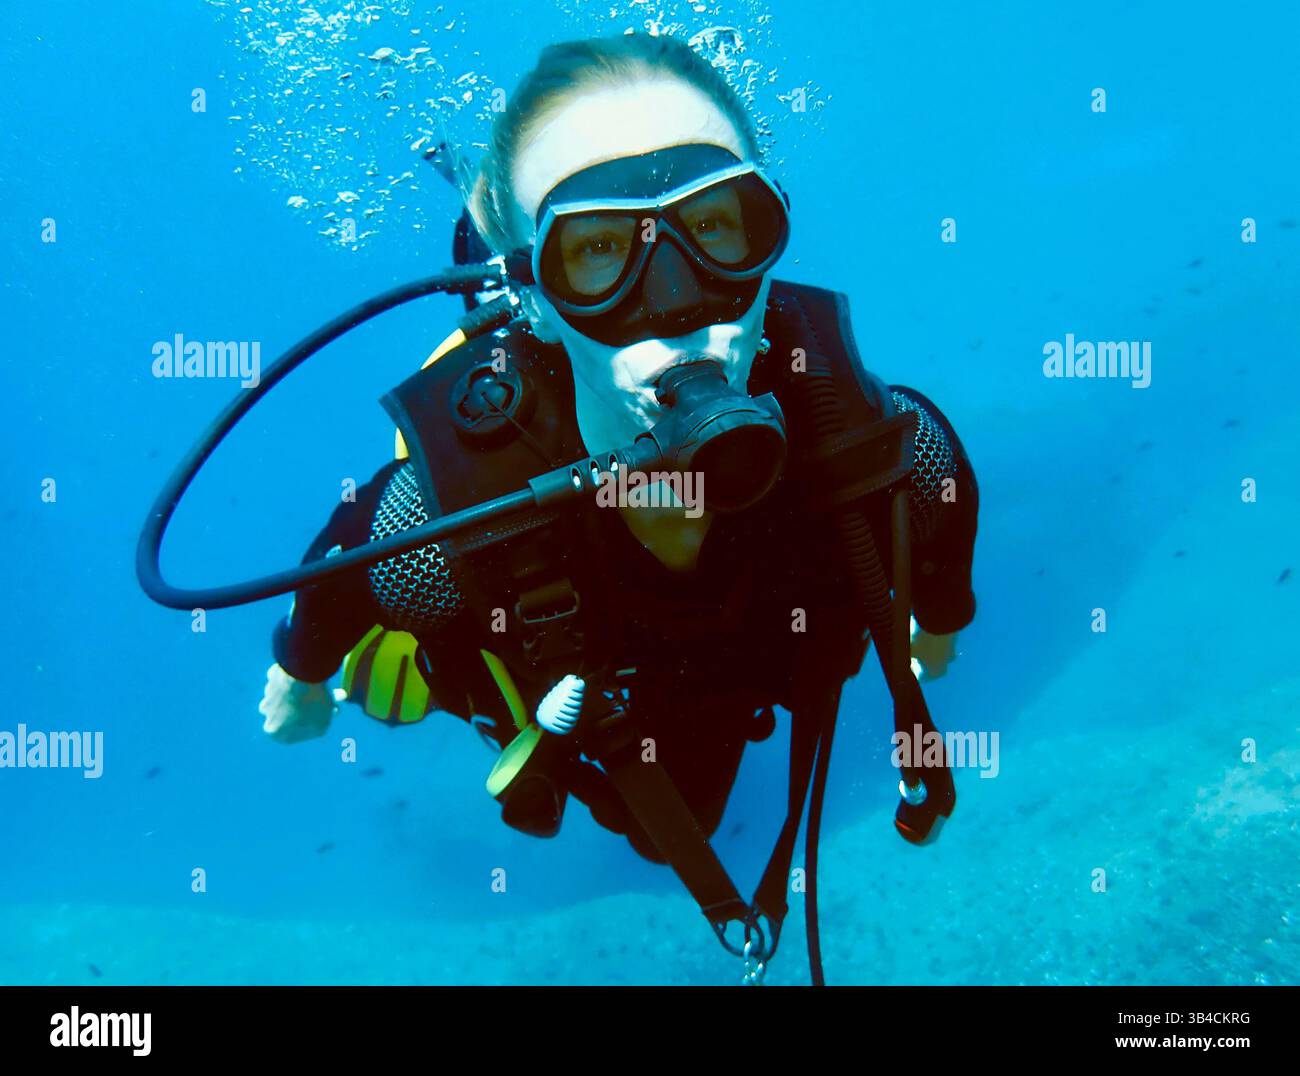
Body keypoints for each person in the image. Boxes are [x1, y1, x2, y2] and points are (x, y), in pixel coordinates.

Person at [256, 33, 979, 974]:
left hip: (729, 663)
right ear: (531, 295)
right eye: (598, 249)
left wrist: (937, 618)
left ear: (771, 230)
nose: (680, 304)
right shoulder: (437, 530)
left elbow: (943, 495)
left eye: (717, 225)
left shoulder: (885, 451)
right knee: (605, 788)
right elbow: (338, 570)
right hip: (549, 661)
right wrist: (301, 677)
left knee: (688, 810)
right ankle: (419, 673)